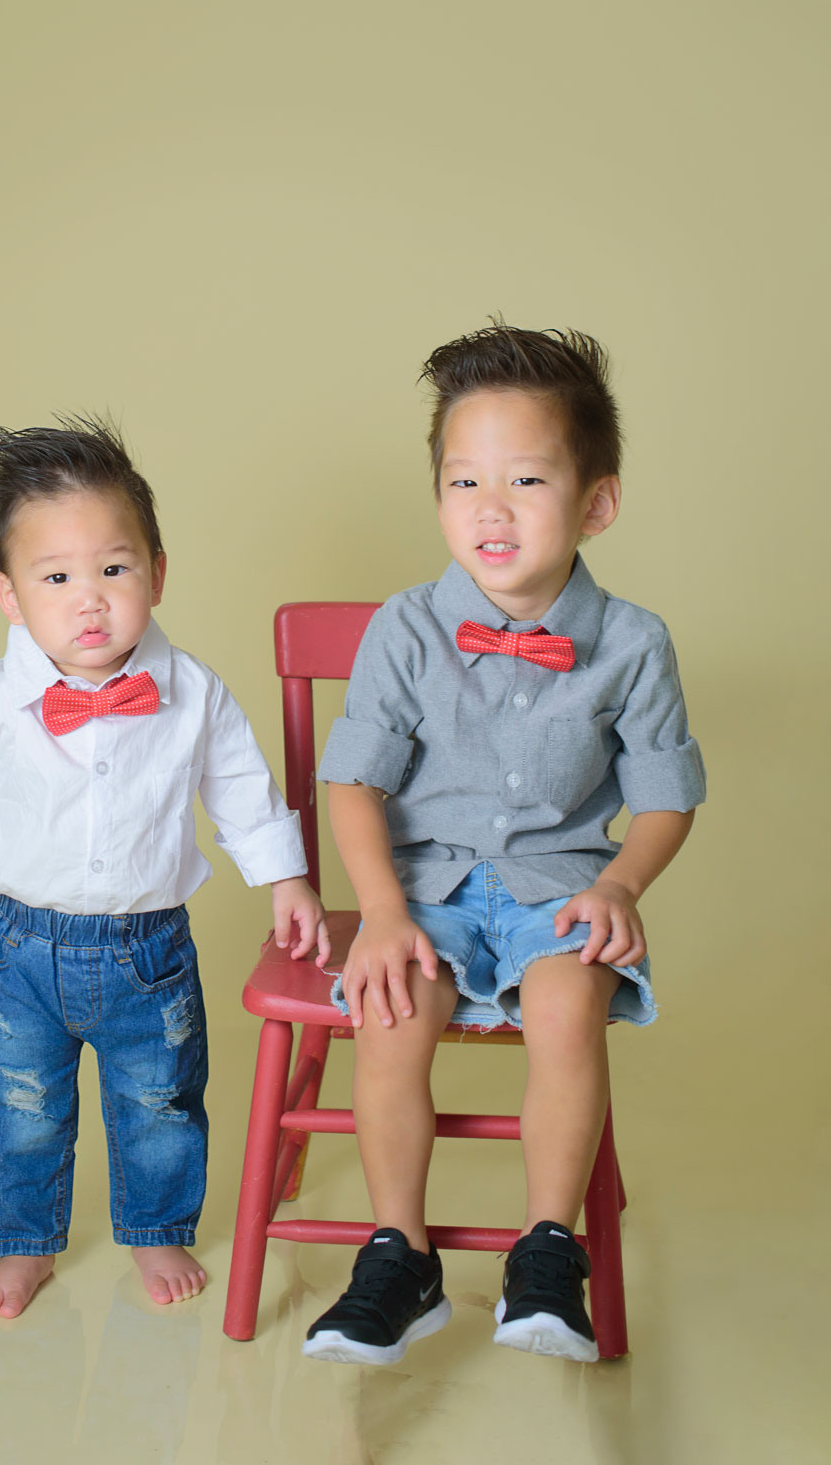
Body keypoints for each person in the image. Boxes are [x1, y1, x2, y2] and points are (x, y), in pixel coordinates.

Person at [303, 323, 704, 1366]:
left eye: (525, 479)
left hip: (558, 887)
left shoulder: (633, 643)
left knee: (568, 1004)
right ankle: (400, 1254)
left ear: (595, 503)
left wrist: (621, 884)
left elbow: (665, 796)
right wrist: (379, 913)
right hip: (422, 887)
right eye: (463, 480)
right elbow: (352, 782)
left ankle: (547, 1248)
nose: (490, 507)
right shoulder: (404, 628)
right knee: (391, 1012)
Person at [0, 415, 327, 1319]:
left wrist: (286, 881)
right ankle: (23, 1245)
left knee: (160, 1102)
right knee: (19, 1106)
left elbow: (243, 792)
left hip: (148, 950)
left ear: (157, 574)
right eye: (56, 578)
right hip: (17, 949)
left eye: (114, 571)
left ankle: (156, 1229)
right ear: (10, 595)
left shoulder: (194, 693)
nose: (89, 601)